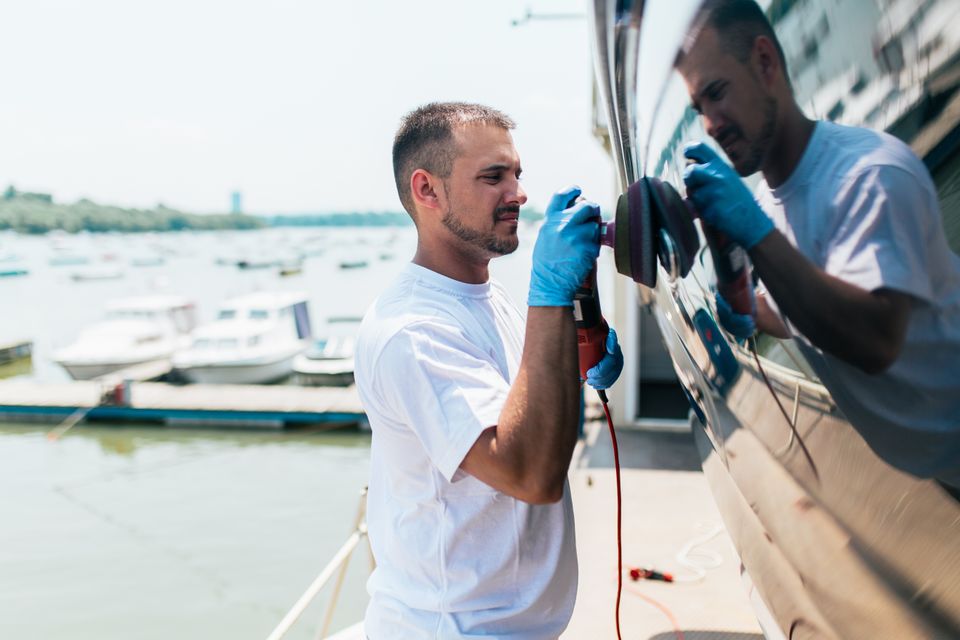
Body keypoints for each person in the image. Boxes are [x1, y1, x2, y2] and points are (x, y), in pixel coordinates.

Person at [354, 102, 623, 638]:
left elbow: (525, 407)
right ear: (427, 190)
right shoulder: (413, 330)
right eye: (493, 177)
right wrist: (549, 296)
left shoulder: (486, 297)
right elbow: (529, 473)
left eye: (518, 174)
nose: (519, 193)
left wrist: (578, 313)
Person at [676, 0, 960, 489]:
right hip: (942, 471)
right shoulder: (766, 203)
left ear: (765, 62)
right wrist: (737, 285)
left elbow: (876, 340)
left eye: (717, 93)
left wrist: (755, 236)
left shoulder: (870, 175)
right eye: (700, 109)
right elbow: (790, 307)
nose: (710, 123)